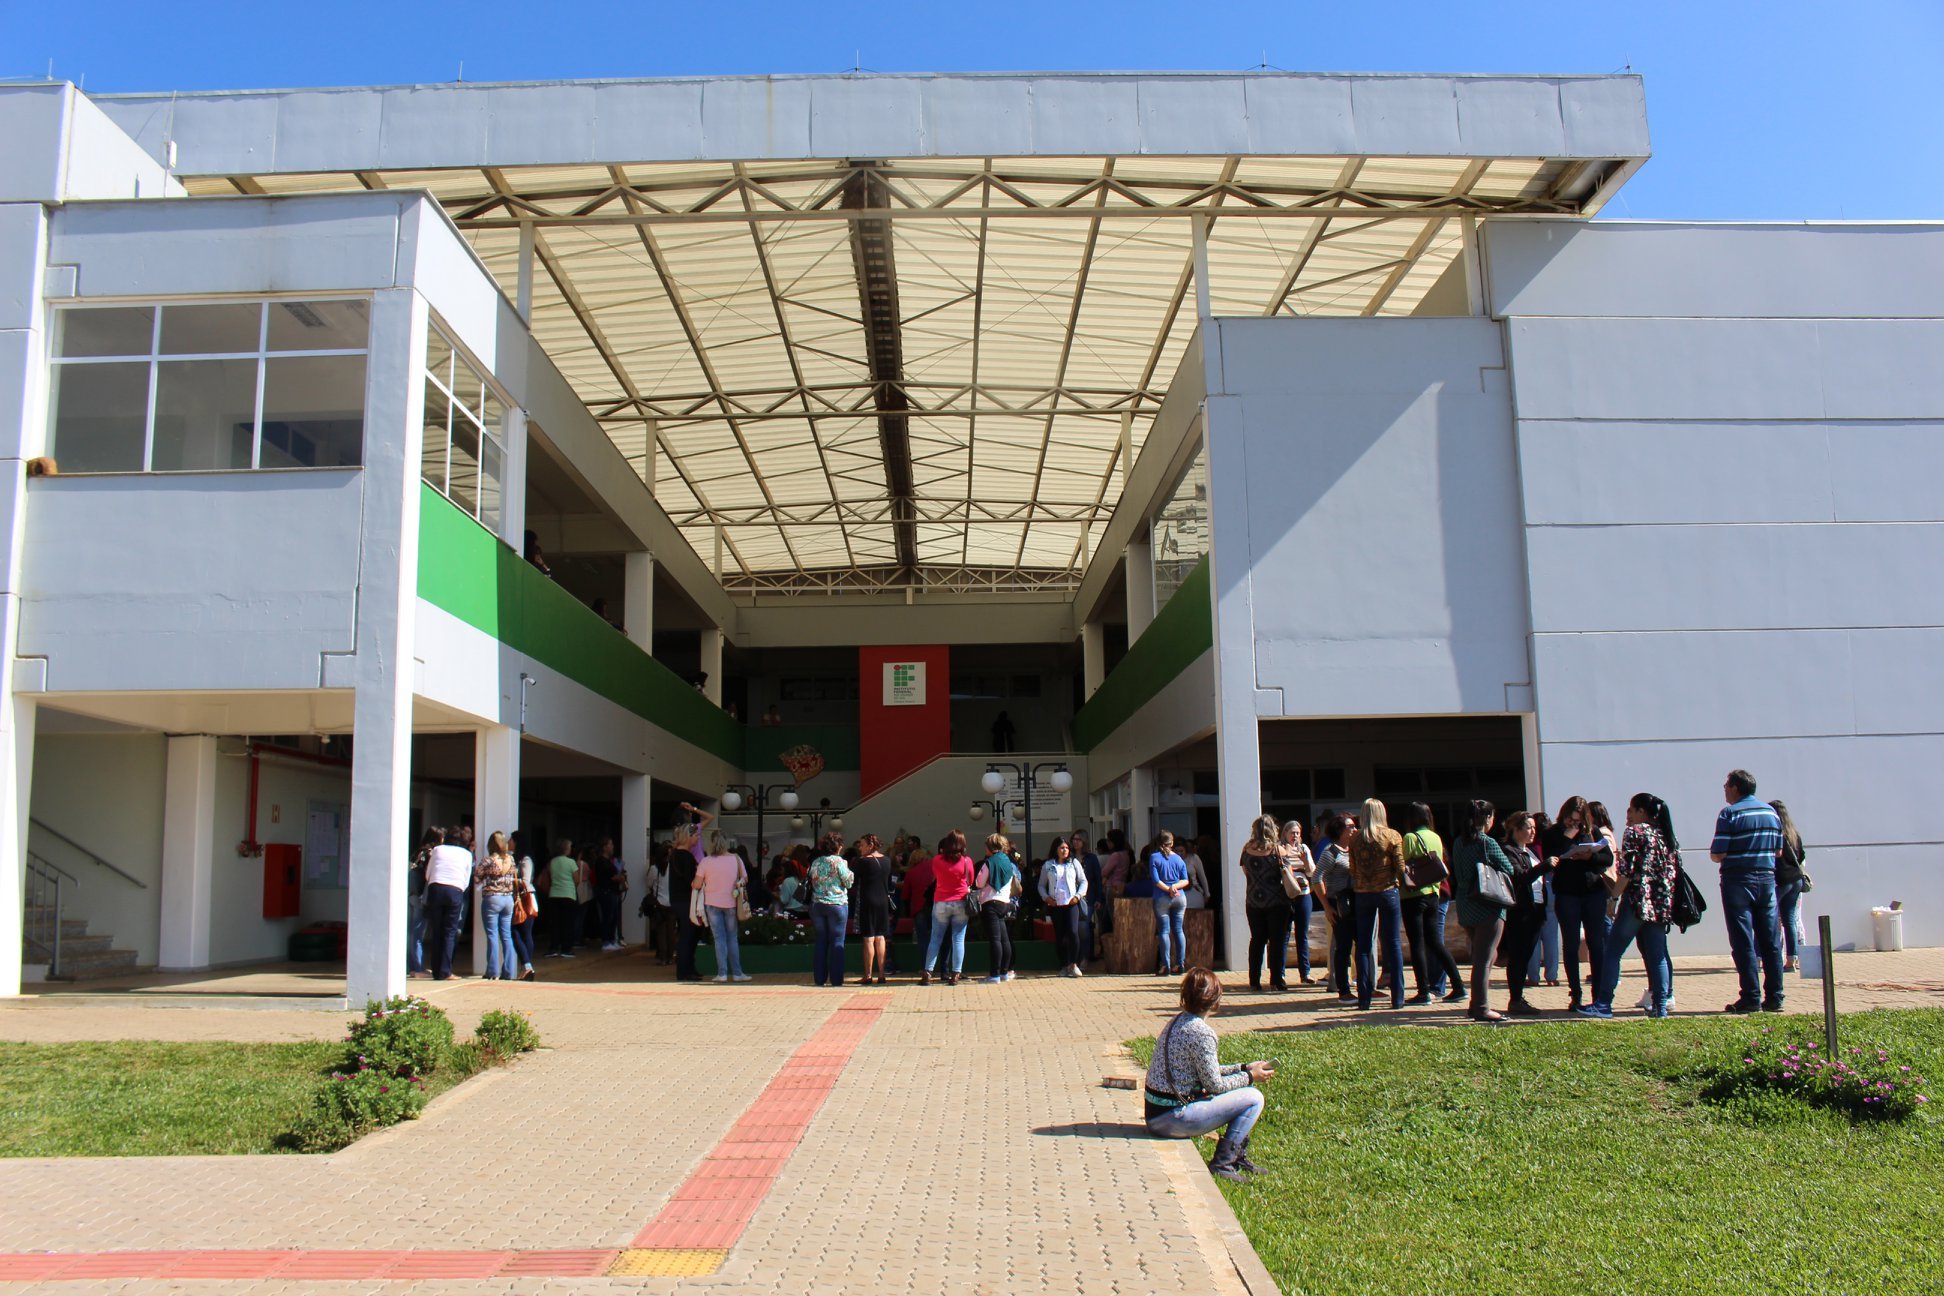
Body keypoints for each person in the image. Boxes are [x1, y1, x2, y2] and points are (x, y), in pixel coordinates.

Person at [1144, 968, 1277, 1182]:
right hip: (1172, 1119)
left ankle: (1235, 1157)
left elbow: (1206, 1071)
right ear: (1215, 1000)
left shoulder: (1177, 1022)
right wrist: (1251, 1077)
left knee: (1247, 1091)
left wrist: (1243, 1068)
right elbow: (1214, 1084)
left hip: (1156, 1114)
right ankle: (1223, 1162)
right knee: (1253, 1098)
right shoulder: (1202, 1033)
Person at [1588, 793, 1681, 1018]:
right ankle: (1660, 1006)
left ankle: (1603, 1004)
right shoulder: (1666, 836)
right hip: (1660, 904)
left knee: (1613, 951)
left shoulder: (1635, 832)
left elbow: (1626, 871)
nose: (1628, 815)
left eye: (1631, 810)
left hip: (1637, 901)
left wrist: (1613, 897)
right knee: (1657, 954)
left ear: (1642, 811)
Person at [1711, 769, 1785, 1014]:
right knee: (1771, 940)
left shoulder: (1729, 814)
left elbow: (1718, 853)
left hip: (1737, 880)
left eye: (1726, 785)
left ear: (1735, 788)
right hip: (1766, 879)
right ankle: (1775, 996)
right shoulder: (1771, 813)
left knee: (1743, 940)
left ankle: (1751, 996)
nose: (1724, 789)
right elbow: (1778, 851)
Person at [1542, 796, 1611, 1014]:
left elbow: (1607, 858)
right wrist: (1567, 839)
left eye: (1578, 821)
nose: (1574, 825)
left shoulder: (1592, 832)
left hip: (1593, 892)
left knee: (1596, 944)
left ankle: (1599, 995)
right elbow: (1551, 858)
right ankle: (1576, 994)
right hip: (1567, 893)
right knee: (1571, 944)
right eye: (1571, 820)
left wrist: (1587, 857)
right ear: (1563, 816)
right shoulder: (1553, 833)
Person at [1450, 800, 1513, 1023]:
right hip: (1488, 904)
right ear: (1486, 819)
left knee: (1480, 955)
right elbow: (1509, 868)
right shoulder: (1487, 843)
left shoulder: (1459, 842)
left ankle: (1475, 1004)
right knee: (1485, 959)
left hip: (1466, 903)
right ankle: (1481, 1007)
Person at [1399, 803, 1464, 1006]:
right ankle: (1459, 985)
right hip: (1434, 894)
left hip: (1413, 895)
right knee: (1435, 942)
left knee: (1417, 944)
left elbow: (1404, 865)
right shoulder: (1435, 837)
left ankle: (1423, 991)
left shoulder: (1409, 838)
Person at [1347, 798, 1407, 1012]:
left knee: (1363, 946)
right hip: (1387, 891)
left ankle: (1364, 998)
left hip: (1363, 893)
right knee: (1392, 944)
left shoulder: (1354, 840)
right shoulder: (1392, 835)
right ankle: (1397, 998)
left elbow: (1352, 870)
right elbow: (1400, 866)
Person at [1499, 812, 1553, 1017]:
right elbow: (1519, 877)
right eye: (1529, 827)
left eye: (1534, 828)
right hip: (1521, 912)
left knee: (1526, 954)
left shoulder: (1527, 851)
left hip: (1535, 910)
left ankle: (1519, 997)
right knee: (1518, 956)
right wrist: (1544, 866)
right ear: (1516, 829)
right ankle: (1515, 999)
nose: (1533, 831)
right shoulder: (1509, 851)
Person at [1239, 815, 1292, 992]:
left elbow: (1246, 873)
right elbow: (1288, 875)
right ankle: (1277, 981)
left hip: (1254, 901)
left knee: (1257, 940)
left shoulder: (1246, 850)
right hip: (1277, 901)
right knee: (1276, 942)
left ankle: (1254, 980)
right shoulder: (1279, 851)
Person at [694, 829, 752, 983]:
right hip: (731, 903)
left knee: (719, 938)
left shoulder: (705, 861)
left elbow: (697, 883)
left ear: (711, 843)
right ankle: (738, 973)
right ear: (726, 842)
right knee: (732, 938)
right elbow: (745, 878)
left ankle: (722, 973)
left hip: (712, 904)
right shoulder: (736, 859)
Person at [922, 831, 975, 985]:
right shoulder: (966, 861)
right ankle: (955, 974)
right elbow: (970, 880)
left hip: (941, 902)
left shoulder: (937, 860)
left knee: (935, 939)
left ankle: (928, 971)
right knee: (958, 939)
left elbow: (936, 876)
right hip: (960, 902)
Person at [421, 826, 474, 980]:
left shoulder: (438, 850)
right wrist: (459, 890)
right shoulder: (466, 854)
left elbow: (428, 873)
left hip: (436, 888)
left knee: (437, 930)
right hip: (455, 890)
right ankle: (446, 971)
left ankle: (436, 971)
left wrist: (434, 882)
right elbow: (466, 878)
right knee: (449, 932)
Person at [1313, 815, 1356, 1002]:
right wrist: (1326, 906)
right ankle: (1343, 990)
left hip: (1357, 901)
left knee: (1361, 945)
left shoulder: (1354, 849)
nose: (1354, 829)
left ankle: (1365, 986)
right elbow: (1316, 878)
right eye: (1350, 826)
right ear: (1340, 830)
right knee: (1343, 947)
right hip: (1339, 903)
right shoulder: (1330, 852)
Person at [669, 803, 712, 981]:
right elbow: (691, 881)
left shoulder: (679, 855)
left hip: (682, 900)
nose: (697, 839)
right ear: (688, 837)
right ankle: (684, 971)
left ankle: (689, 968)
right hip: (685, 900)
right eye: (695, 836)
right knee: (688, 936)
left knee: (692, 935)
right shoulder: (684, 856)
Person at [808, 831, 854, 988]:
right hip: (837, 905)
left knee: (821, 941)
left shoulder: (815, 862)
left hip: (817, 905)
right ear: (839, 846)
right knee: (837, 942)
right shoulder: (839, 862)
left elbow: (811, 879)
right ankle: (836, 979)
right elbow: (848, 882)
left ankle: (819, 979)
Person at [473, 831, 520, 981]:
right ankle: (509, 971)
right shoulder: (511, 859)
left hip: (492, 898)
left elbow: (476, 877)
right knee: (506, 935)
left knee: (492, 935)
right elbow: (514, 878)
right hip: (508, 900)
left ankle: (492, 971)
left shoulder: (488, 861)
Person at [1039, 835, 1088, 977]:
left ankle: (1074, 963)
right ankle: (1063, 965)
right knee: (1060, 936)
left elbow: (1083, 881)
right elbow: (1041, 885)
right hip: (1055, 905)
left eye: (1067, 848)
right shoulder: (1048, 865)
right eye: (1062, 848)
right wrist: (1046, 898)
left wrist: (1078, 896)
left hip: (1071, 903)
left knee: (1073, 932)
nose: (1065, 850)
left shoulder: (1074, 863)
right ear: (1056, 849)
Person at [975, 833, 1021, 984]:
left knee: (995, 940)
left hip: (991, 902)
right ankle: (1004, 973)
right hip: (1005, 902)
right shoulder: (1008, 862)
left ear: (989, 847)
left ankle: (994, 974)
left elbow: (979, 883)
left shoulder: (989, 862)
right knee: (1004, 939)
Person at [1771, 799, 1809, 972]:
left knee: (1770, 918)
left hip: (1780, 881)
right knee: (1790, 920)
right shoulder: (1794, 833)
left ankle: (1768, 957)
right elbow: (1801, 856)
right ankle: (1791, 959)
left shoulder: (1775, 834)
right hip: (1796, 880)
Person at [852, 833, 893, 985]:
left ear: (870, 845)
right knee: (881, 936)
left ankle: (868, 975)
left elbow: (854, 881)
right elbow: (890, 884)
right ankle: (882, 974)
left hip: (867, 900)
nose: (860, 848)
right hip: (883, 901)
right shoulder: (887, 861)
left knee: (868, 937)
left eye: (862, 845)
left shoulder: (862, 862)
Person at [1147, 830, 1190, 976]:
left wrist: (1168, 889)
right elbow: (1186, 880)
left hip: (1161, 897)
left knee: (1164, 931)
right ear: (1172, 843)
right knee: (1178, 930)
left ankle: (1166, 965)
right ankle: (1180, 963)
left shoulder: (1154, 857)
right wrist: (1174, 887)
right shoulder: (1178, 858)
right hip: (1179, 896)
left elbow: (1156, 880)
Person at [1279, 820, 1316, 985]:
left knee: (1303, 934)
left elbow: (1312, 871)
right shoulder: (1279, 848)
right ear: (1285, 833)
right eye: (1292, 833)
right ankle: (1280, 973)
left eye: (1297, 833)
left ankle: (1305, 973)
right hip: (1286, 895)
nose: (1295, 836)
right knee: (1284, 934)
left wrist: (1305, 860)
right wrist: (1285, 854)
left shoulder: (1304, 848)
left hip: (1304, 893)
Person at [539, 838, 579, 960]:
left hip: (554, 894)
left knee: (555, 923)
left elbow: (547, 877)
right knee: (568, 923)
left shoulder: (552, 862)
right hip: (568, 895)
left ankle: (553, 948)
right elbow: (577, 880)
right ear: (567, 849)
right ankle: (566, 949)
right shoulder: (571, 862)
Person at [407, 828, 439, 976]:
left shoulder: (417, 852)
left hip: (412, 894)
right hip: (421, 896)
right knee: (418, 932)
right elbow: (429, 875)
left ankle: (412, 965)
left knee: (412, 931)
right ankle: (418, 968)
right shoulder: (430, 853)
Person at [508, 830, 539, 981]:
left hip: (525, 899)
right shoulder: (513, 858)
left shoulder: (525, 860)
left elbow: (525, 880)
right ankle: (527, 966)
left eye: (511, 840)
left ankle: (527, 965)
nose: (509, 842)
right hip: (518, 899)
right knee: (519, 932)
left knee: (520, 932)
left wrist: (510, 879)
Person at [1072, 832, 1106, 961]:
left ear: (1084, 842)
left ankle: (1085, 957)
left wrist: (1098, 898)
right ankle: (1077, 956)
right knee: (1075, 928)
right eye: (1074, 839)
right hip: (1072, 897)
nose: (1076, 842)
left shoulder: (1091, 858)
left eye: (1079, 840)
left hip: (1088, 897)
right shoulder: (1069, 857)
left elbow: (1097, 878)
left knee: (1084, 926)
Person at [902, 845, 937, 966]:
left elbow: (905, 895)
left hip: (919, 909)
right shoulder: (934, 867)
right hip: (935, 906)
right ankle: (942, 967)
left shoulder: (911, 873)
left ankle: (925, 967)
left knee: (923, 939)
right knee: (938, 937)